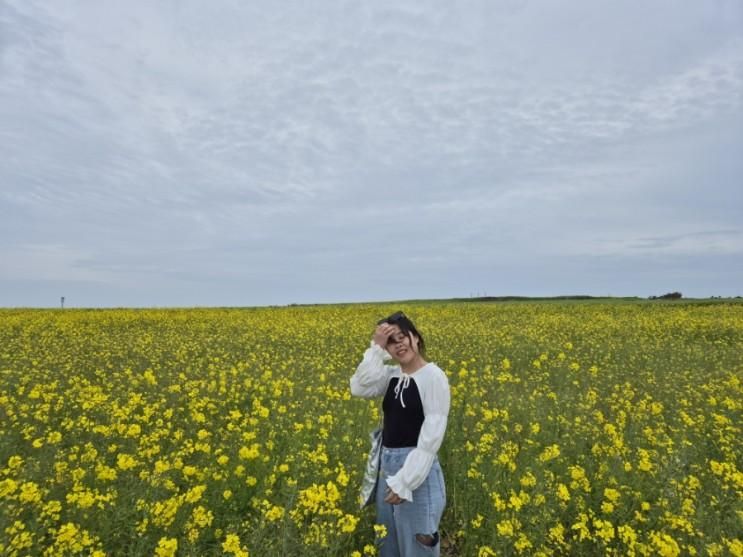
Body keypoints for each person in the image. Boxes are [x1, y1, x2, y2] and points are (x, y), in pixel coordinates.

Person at [350, 311, 451, 557]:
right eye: (391, 342)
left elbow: (431, 438)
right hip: (388, 468)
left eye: (402, 337)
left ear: (415, 338)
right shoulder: (392, 376)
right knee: (389, 545)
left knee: (418, 548)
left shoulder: (433, 377)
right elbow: (358, 387)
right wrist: (376, 347)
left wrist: (406, 480)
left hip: (418, 473)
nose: (399, 345)